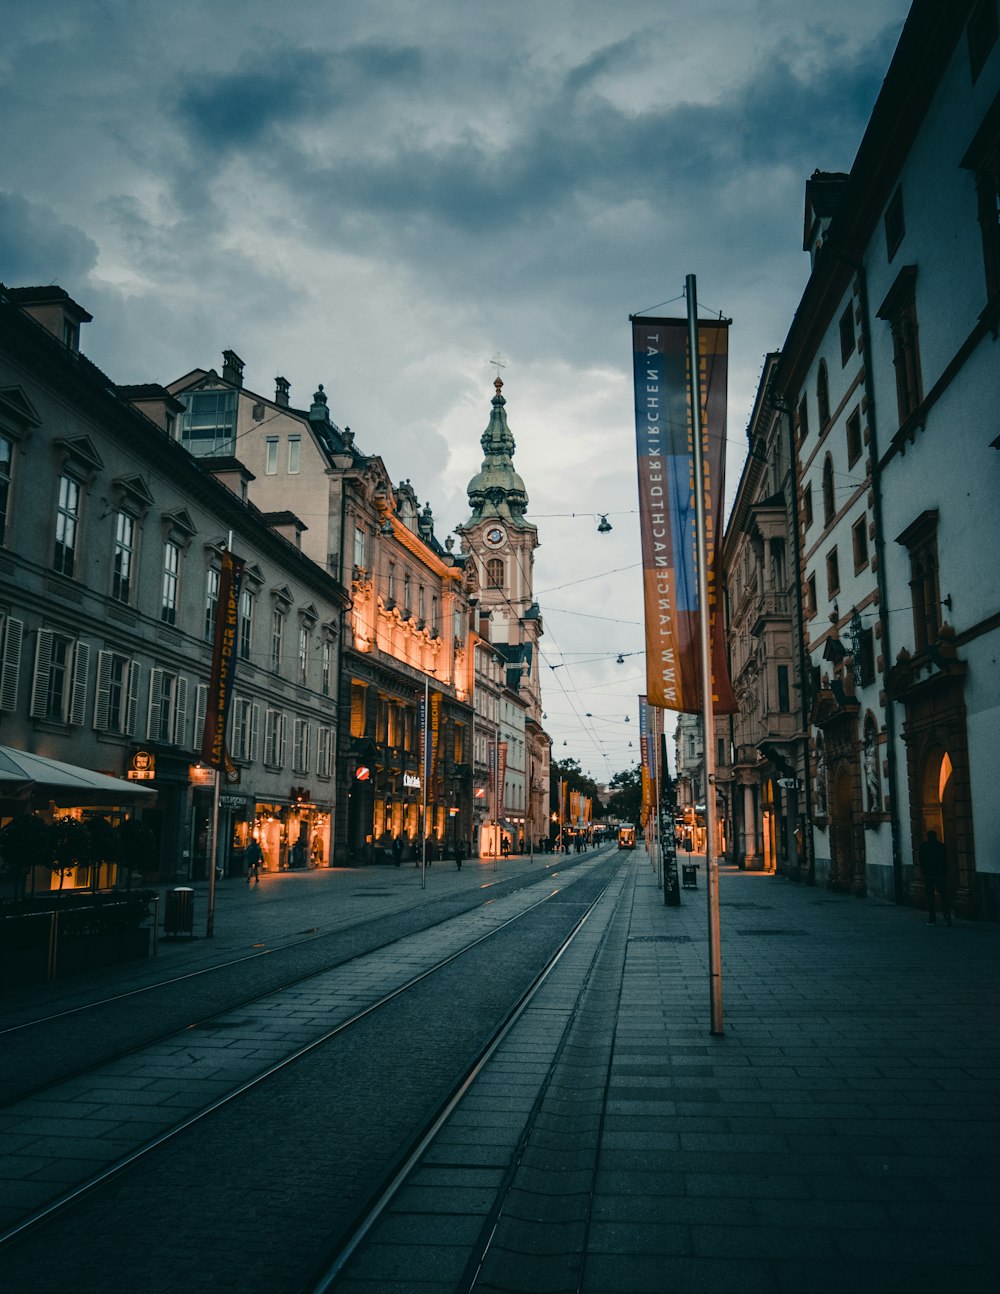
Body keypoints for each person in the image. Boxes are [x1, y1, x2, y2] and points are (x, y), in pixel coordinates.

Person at [919, 829, 951, 925]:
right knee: (944, 896)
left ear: (927, 837)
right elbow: (945, 860)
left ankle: (932, 918)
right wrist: (945, 872)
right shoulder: (941, 846)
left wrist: (924, 872)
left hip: (929, 874)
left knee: (930, 897)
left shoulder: (924, 846)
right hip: (940, 874)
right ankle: (947, 916)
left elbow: (921, 860)